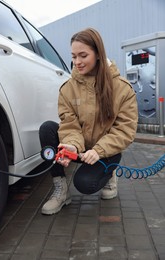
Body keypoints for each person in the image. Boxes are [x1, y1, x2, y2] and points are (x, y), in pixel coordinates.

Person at [39, 28, 138, 215]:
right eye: (74, 56)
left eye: (83, 55)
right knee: (47, 129)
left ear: (98, 54)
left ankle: (109, 174)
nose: (77, 62)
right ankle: (61, 191)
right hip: (82, 146)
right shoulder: (68, 89)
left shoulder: (122, 89)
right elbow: (69, 124)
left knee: (85, 184)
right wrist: (71, 146)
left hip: (106, 151)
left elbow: (125, 130)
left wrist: (99, 151)